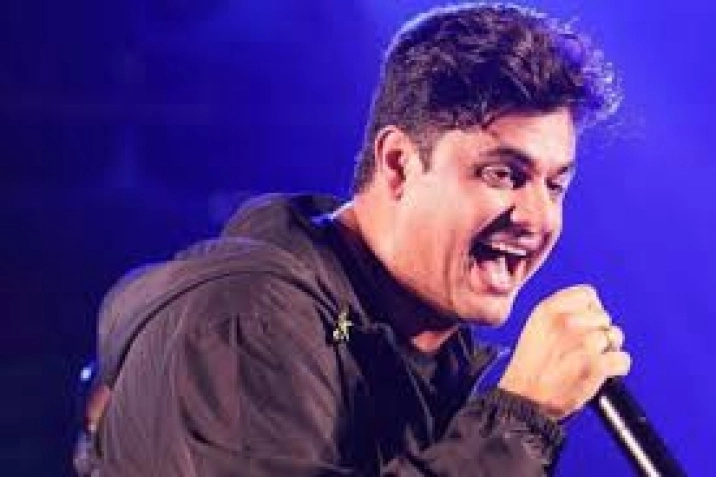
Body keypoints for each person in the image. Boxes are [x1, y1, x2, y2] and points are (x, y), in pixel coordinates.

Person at [77, 3, 631, 475]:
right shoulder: (244, 321)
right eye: (503, 174)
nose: (537, 217)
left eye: (555, 186)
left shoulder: (433, 359)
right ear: (398, 163)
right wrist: (519, 421)